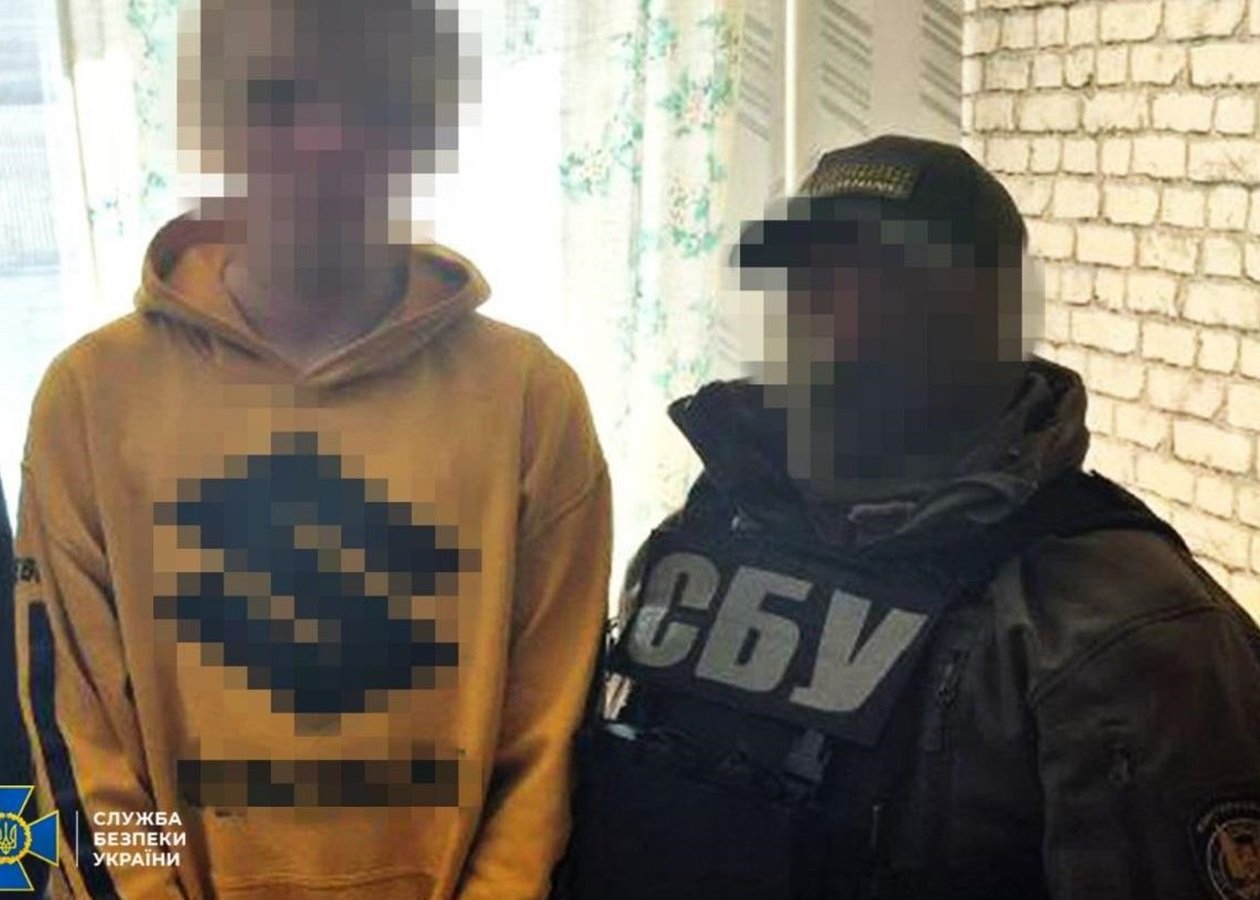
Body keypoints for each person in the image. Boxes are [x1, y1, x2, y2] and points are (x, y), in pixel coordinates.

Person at [556, 134, 1260, 900]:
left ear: (989, 318)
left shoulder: (1124, 625)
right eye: (810, 282)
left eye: (887, 289)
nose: (832, 325)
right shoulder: (717, 515)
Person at [13, 1, 610, 897]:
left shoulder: (533, 398)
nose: (326, 141)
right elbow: (74, 741)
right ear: (212, 119)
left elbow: (548, 744)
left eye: (370, 97)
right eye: (278, 97)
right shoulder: (89, 398)